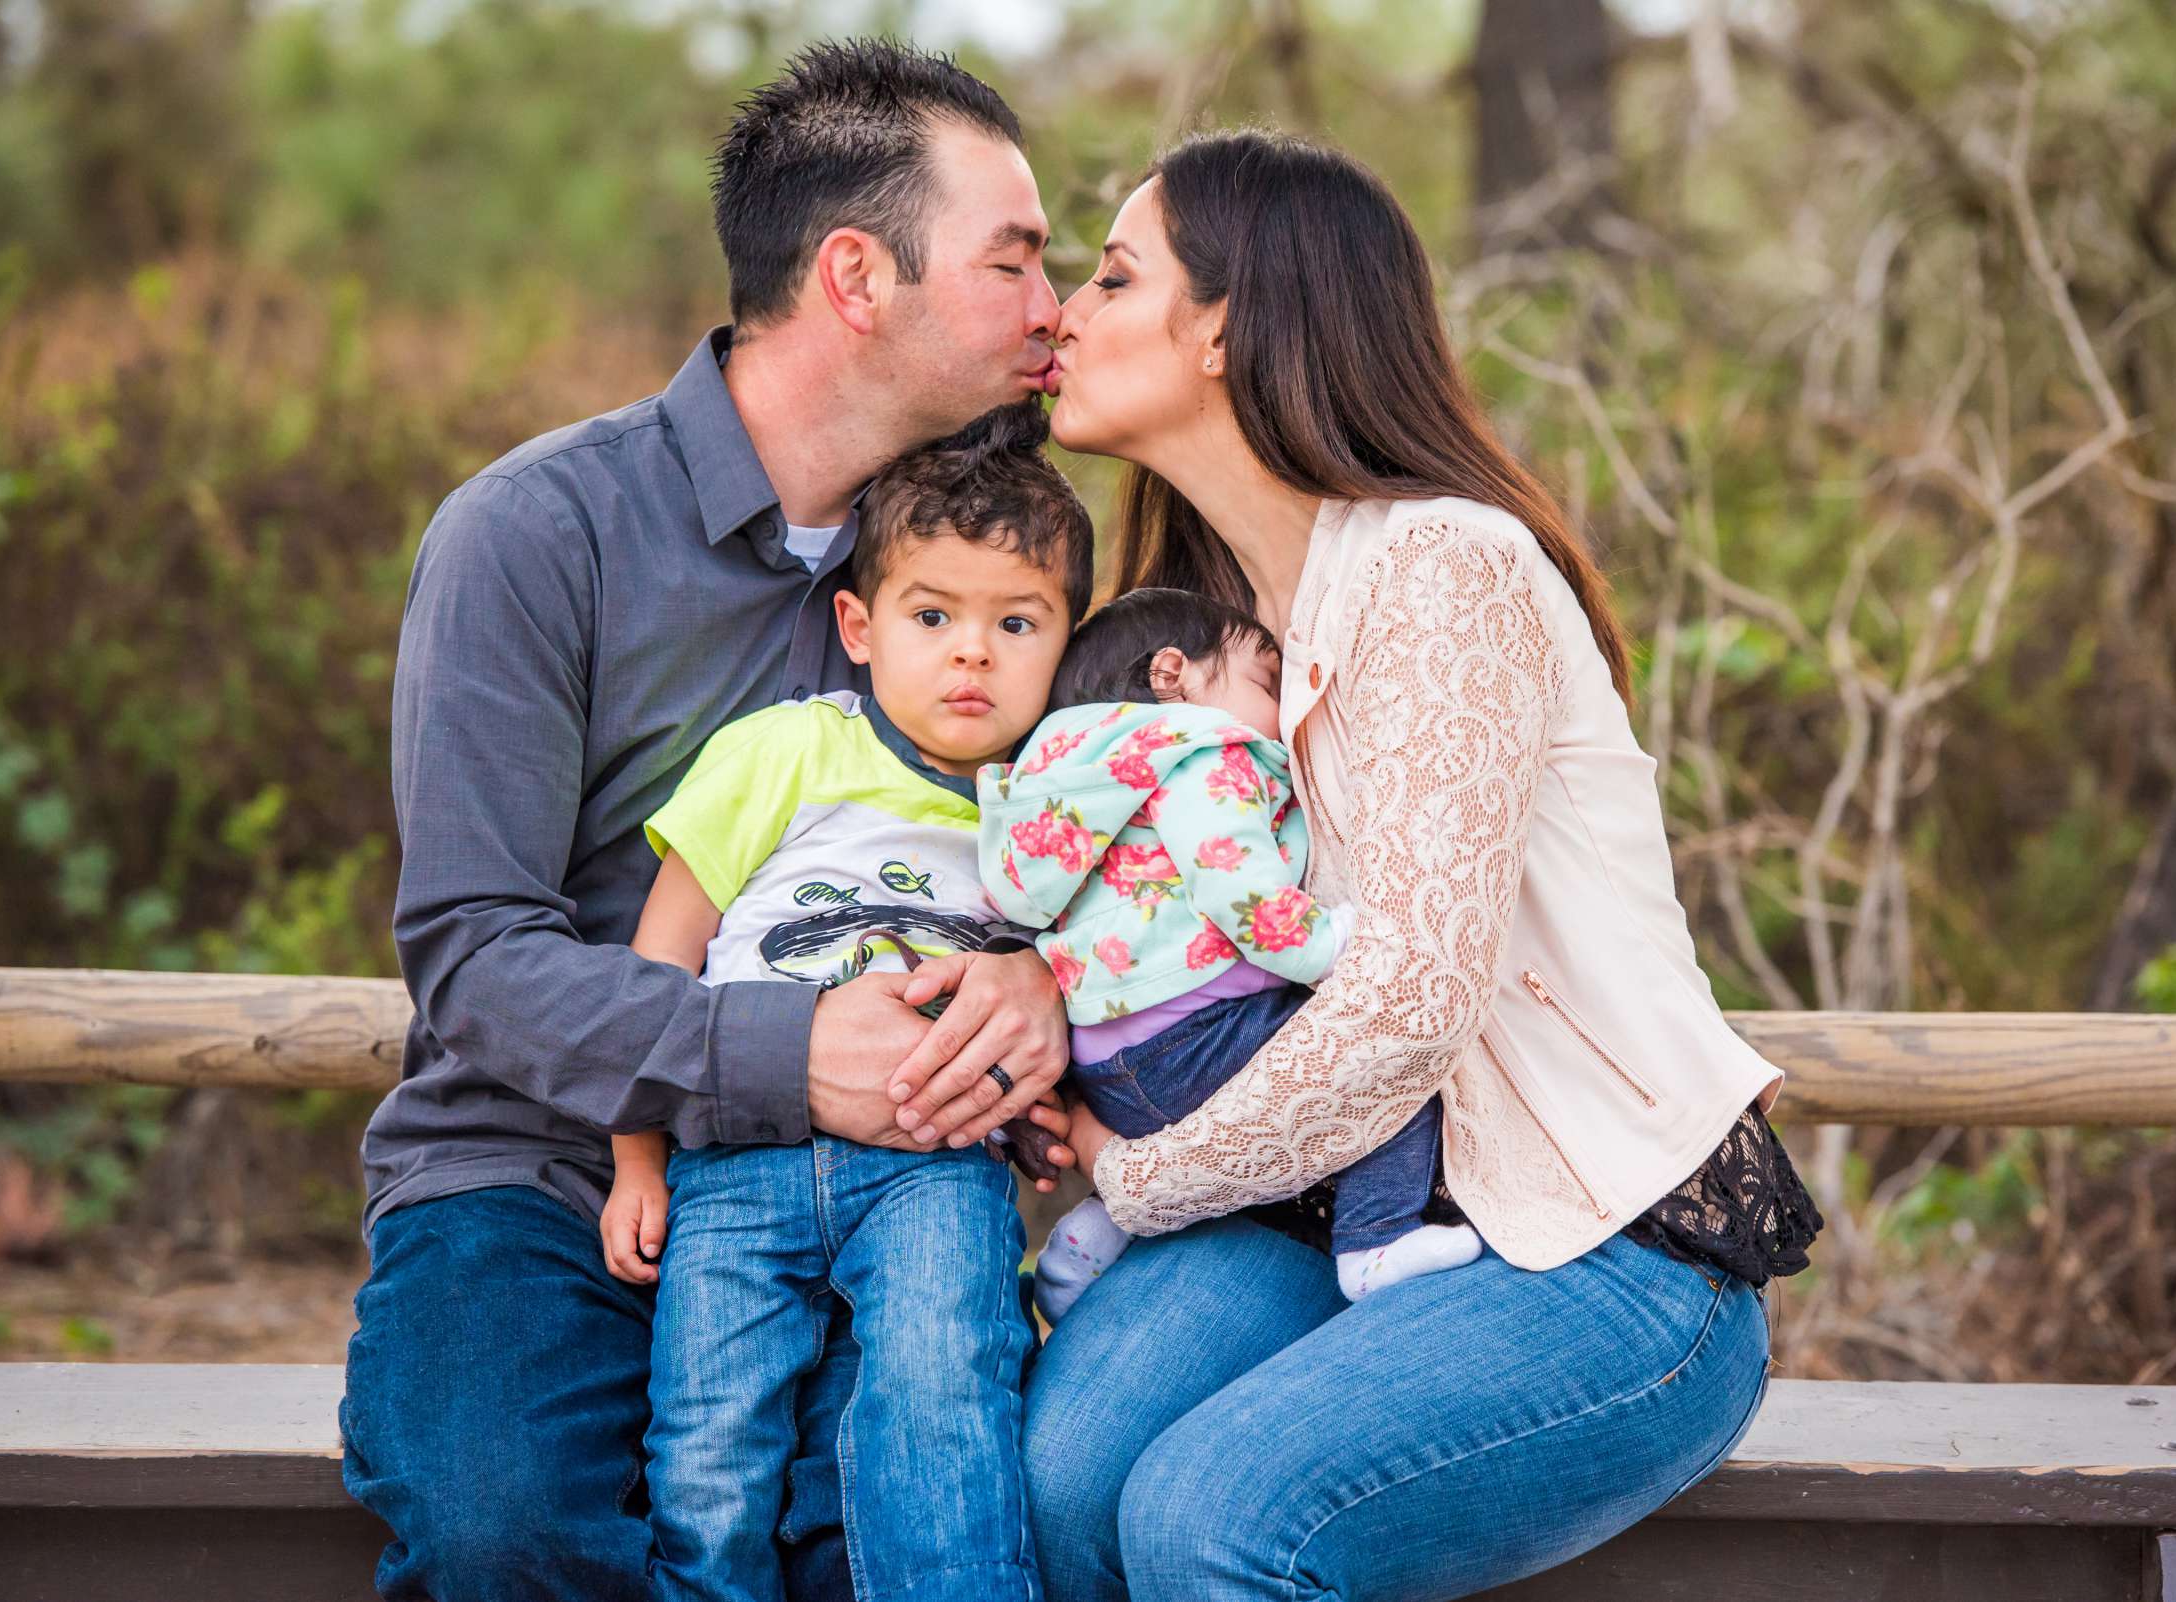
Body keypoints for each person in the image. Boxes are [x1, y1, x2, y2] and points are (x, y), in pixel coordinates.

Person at [990, 129, 1827, 1601]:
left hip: (1602, 1253)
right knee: (1055, 1484)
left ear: (1226, 329)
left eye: (1114, 278)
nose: (1063, 310)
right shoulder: (1195, 635)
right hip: (1330, 1211)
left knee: (1207, 1519)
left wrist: (1139, 1176)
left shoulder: (1446, 566)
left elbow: (1410, 1000)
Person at [342, 41, 1077, 1601]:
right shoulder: (535, 535)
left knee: (890, 1527)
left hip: (880, 1186)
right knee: (505, 1535)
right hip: (533, 1176)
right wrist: (787, 1047)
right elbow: (472, 957)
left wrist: (1038, 986)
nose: (1051, 309)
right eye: (1015, 259)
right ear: (857, 276)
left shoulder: (1003, 582)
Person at [589, 403, 1086, 1602]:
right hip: (731, 1160)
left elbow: (1069, 1004)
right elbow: (662, 960)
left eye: (1015, 622)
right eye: (933, 617)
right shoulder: (785, 751)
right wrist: (635, 1158)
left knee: (941, 1404)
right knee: (707, 1456)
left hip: (934, 1171)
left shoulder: (1059, 810)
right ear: (858, 628)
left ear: (1066, 640)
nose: (972, 654)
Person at [979, 587, 1479, 1319]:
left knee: (1207, 1134)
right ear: (1172, 672)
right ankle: (1376, 1243)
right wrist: (1330, 945)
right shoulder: (1196, 752)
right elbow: (1232, 883)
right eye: (1265, 682)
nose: (1280, 707)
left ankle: (1095, 1233)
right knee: (1380, 1067)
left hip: (1105, 1067)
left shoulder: (1072, 784)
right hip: (1194, 1040)